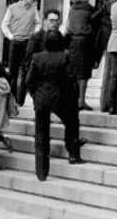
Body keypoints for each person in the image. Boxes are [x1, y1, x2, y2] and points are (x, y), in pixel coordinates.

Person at [26, 30, 84, 181]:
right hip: (60, 97)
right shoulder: (65, 57)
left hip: (42, 98)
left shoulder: (37, 57)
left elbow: (29, 80)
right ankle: (73, 152)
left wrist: (35, 95)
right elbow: (70, 78)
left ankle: (41, 171)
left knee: (41, 135)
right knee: (72, 122)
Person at [1, 0, 41, 106]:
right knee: (12, 71)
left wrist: (34, 33)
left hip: (28, 42)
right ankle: (12, 99)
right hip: (15, 42)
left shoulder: (33, 9)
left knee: (25, 70)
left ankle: (20, 100)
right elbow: (4, 24)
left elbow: (38, 23)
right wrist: (10, 36)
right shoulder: (12, 8)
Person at [65, 0, 97, 111]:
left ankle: (73, 99)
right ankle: (81, 101)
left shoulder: (72, 9)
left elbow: (68, 28)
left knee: (73, 73)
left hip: (72, 41)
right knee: (84, 73)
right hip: (85, 42)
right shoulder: (90, 9)